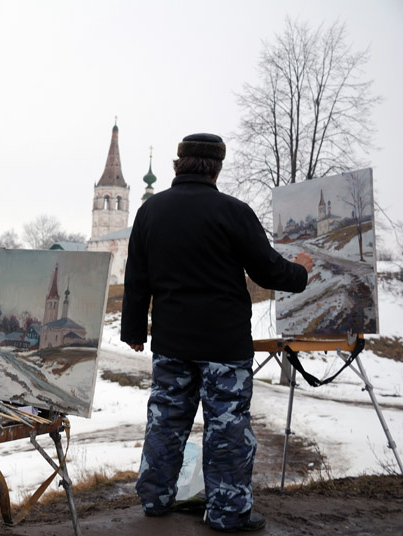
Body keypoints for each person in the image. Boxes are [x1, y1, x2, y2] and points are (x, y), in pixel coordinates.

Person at [120, 134, 314, 533]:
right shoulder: (232, 211)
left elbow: (136, 277)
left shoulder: (151, 211)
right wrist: (302, 269)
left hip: (172, 343)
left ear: (179, 163)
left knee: (165, 422)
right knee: (226, 428)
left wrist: (134, 329)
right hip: (224, 346)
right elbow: (269, 270)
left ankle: (155, 499)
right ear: (216, 168)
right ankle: (227, 514)